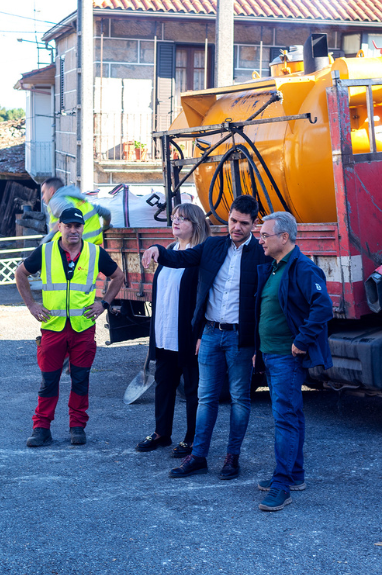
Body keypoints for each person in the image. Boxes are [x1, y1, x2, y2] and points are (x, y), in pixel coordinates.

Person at [141, 195, 270, 480]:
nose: (236, 227)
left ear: (254, 224)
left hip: (240, 339)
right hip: (211, 333)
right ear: (228, 218)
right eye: (233, 220)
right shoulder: (212, 246)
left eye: (244, 223)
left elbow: (267, 299)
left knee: (239, 399)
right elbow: (180, 257)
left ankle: (231, 458)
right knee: (206, 397)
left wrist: (258, 346)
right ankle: (197, 456)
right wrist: (157, 249)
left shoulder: (262, 254)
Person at [16, 206, 126, 447]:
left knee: (80, 380)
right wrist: (32, 306)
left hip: (82, 327)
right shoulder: (45, 251)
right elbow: (20, 274)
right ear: (59, 227)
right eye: (68, 225)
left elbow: (118, 277)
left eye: (77, 226)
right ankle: (41, 428)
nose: (73, 230)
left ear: (82, 228)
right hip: (53, 328)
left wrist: (104, 304)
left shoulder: (95, 253)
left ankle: (77, 427)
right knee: (48, 381)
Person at [253, 211, 332, 512]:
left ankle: (281, 484)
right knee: (292, 415)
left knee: (285, 418)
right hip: (271, 355)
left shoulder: (302, 268)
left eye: (265, 235)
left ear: (284, 237)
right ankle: (294, 475)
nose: (260, 240)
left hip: (286, 357)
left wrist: (301, 340)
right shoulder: (275, 268)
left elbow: (322, 306)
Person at [135, 204, 210, 456]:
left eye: (183, 219)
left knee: (192, 389)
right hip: (165, 331)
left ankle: (192, 438)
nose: (176, 222)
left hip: (187, 334)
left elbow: (204, 298)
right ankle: (161, 433)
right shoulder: (169, 251)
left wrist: (199, 333)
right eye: (174, 218)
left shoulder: (199, 256)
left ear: (196, 224)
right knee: (163, 383)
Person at [40, 177, 111, 246]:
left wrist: (50, 235)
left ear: (51, 191)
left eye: (43, 192)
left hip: (71, 249)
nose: (42, 197)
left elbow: (70, 214)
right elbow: (106, 213)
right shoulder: (80, 201)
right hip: (92, 248)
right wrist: (106, 226)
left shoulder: (55, 201)